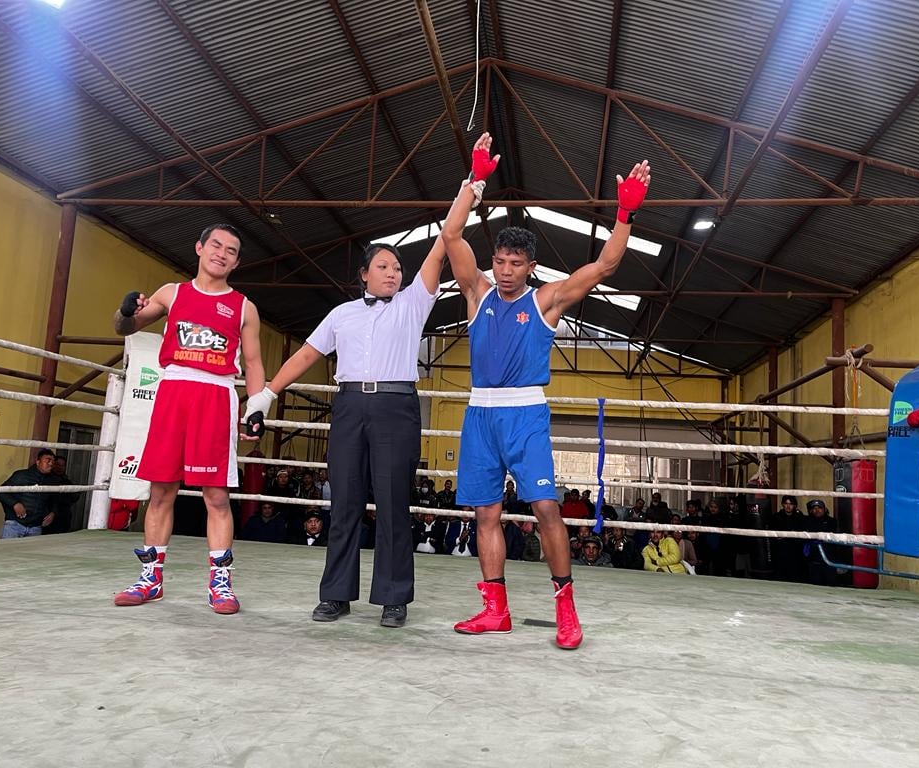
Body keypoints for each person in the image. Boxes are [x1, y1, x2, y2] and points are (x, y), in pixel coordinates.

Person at [442, 132, 650, 649]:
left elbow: (604, 267)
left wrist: (624, 215)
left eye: (515, 264)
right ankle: (495, 609)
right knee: (486, 514)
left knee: (546, 509)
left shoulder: (546, 301)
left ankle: (566, 611)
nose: (505, 271)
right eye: (500, 261)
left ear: (531, 267)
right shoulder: (477, 293)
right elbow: (451, 235)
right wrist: (474, 183)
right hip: (480, 415)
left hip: (525, 416)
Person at [243, 235, 447, 629]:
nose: (392, 273)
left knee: (393, 504)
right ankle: (336, 593)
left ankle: (394, 597)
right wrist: (266, 395)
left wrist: (465, 200)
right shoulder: (341, 314)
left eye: (397, 268)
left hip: (396, 405)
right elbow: (307, 354)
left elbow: (441, 247)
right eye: (383, 267)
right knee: (344, 503)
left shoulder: (412, 303)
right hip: (350, 405)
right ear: (364, 274)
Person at [110, 223, 265, 615]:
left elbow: (253, 363)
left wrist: (256, 409)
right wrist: (125, 310)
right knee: (161, 491)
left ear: (236, 262)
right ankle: (150, 578)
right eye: (216, 245)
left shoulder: (244, 307)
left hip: (216, 396)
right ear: (199, 247)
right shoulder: (172, 293)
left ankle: (221, 583)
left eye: (231, 250)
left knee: (217, 496)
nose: (221, 253)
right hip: (173, 391)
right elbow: (126, 327)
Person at [0, 449, 59, 538]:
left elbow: (55, 499)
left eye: (53, 461)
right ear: (38, 461)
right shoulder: (22, 475)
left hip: (35, 528)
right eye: (48, 460)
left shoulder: (52, 481)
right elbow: (0, 492)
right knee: (7, 548)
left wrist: (53, 513)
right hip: (14, 526)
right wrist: (15, 504)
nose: (51, 463)